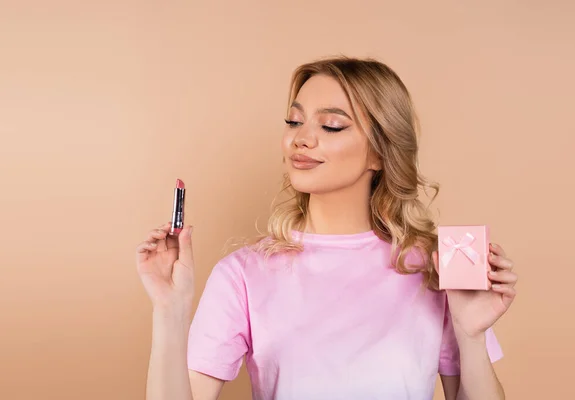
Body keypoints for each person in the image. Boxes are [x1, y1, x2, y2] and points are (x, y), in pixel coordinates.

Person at [136, 56, 518, 400]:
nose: (300, 138)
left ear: (380, 152)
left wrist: (471, 337)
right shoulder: (242, 275)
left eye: (332, 125)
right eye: (294, 121)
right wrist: (169, 311)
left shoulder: (434, 271)